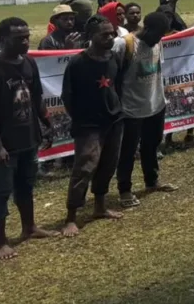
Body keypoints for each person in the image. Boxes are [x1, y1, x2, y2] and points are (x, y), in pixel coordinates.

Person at [0, 17, 56, 259]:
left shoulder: (29, 62)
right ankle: (0, 241)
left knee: (26, 186)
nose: (26, 42)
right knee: (0, 192)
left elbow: (36, 95)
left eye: (27, 37)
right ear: (2, 40)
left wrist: (46, 122)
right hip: (4, 145)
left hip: (29, 138)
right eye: (19, 39)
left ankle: (29, 227)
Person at [61, 15, 127, 236]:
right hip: (88, 125)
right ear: (91, 36)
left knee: (108, 164)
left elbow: (117, 86)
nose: (110, 37)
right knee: (84, 168)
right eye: (104, 34)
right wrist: (79, 119)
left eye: (112, 33)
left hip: (114, 120)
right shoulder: (77, 63)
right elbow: (67, 96)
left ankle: (100, 206)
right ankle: (71, 217)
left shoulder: (113, 58)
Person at [116, 12, 177, 209]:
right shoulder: (124, 44)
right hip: (130, 109)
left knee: (152, 145)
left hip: (155, 104)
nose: (160, 38)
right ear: (147, 29)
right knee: (127, 151)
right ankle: (125, 189)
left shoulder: (157, 42)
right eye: (158, 34)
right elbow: (112, 75)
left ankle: (152, 180)